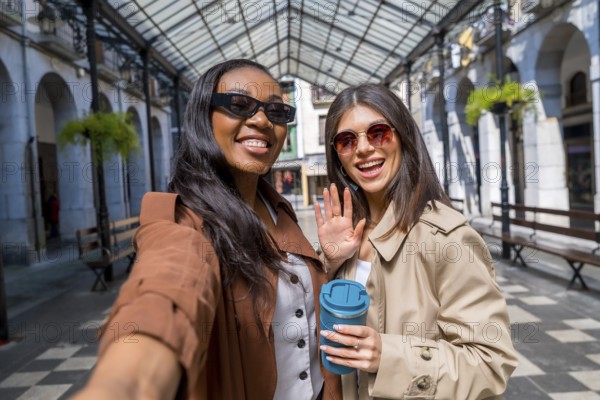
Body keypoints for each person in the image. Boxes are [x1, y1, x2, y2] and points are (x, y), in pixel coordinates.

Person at [73, 59, 341, 400]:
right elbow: (168, 287)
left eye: (276, 111)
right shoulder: (183, 220)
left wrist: (331, 263)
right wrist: (126, 384)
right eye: (239, 105)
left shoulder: (278, 209)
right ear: (204, 117)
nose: (261, 120)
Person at [313, 83, 518, 399]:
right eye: (347, 140)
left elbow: (490, 363)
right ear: (338, 155)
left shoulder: (448, 238)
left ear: (404, 138)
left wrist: (389, 356)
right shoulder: (345, 233)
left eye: (379, 132)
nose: (364, 148)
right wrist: (329, 264)